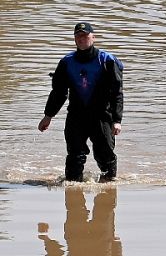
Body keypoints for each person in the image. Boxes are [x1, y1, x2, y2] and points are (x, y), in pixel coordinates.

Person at [39, 23, 124, 183]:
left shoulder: (107, 60)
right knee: (75, 155)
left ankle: (110, 184)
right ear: (74, 39)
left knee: (104, 154)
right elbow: (59, 93)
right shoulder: (66, 62)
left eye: (85, 35)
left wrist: (117, 120)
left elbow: (117, 93)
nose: (81, 39)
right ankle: (73, 190)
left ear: (93, 37)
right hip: (76, 116)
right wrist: (48, 115)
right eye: (78, 36)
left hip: (101, 115)